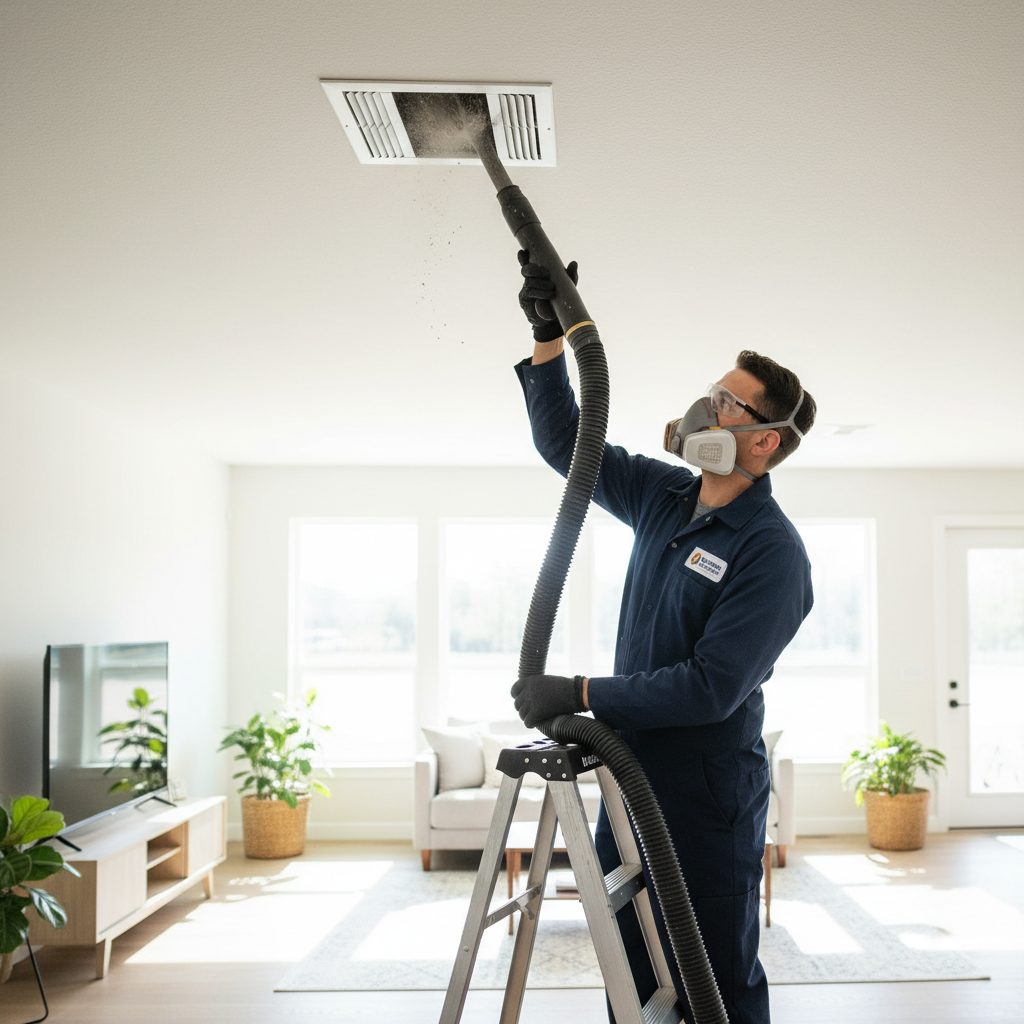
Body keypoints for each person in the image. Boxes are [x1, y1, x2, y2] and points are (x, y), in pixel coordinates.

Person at [509, 252, 816, 1024]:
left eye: (728, 403)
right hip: (630, 780)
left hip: (704, 799)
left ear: (764, 442)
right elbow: (567, 447)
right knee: (632, 967)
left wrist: (581, 693)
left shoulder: (772, 552)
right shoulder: (662, 494)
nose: (705, 408)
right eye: (712, 392)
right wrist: (548, 338)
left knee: (711, 977)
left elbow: (712, 686)